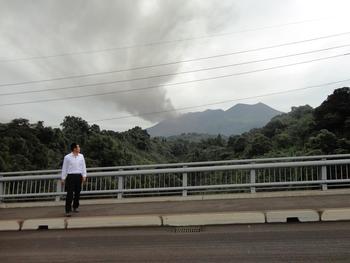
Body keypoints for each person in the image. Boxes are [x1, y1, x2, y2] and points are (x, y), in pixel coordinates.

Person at [61, 143, 87, 217]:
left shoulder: (81, 156)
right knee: (69, 194)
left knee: (77, 193)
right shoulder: (67, 157)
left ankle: (75, 206)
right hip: (70, 176)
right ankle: (68, 210)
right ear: (74, 149)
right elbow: (64, 168)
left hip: (79, 176)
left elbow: (83, 166)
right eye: (78, 147)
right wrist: (63, 178)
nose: (79, 148)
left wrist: (84, 175)